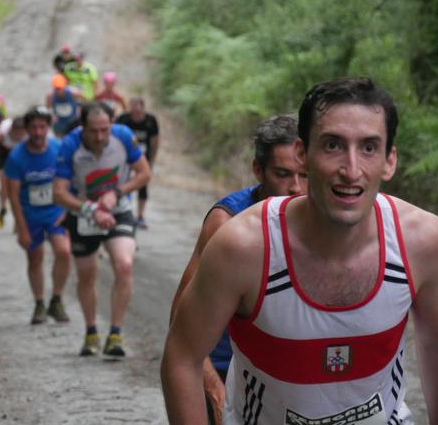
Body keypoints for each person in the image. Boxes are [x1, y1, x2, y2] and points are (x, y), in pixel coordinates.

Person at [162, 78, 438, 424]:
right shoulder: (243, 246)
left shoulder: (422, 240)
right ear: (302, 154)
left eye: (369, 147)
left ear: (389, 160)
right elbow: (182, 356)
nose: (351, 170)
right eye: (333, 145)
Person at [168, 115, 306, 425]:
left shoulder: (326, 221)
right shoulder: (228, 222)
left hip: (286, 378)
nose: (296, 187)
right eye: (283, 174)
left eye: (305, 175)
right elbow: (180, 317)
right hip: (224, 370)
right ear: (258, 170)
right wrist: (216, 392)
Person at [53, 102, 151, 358]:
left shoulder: (123, 137)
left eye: (105, 130)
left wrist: (116, 193)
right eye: (93, 131)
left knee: (124, 264)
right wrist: (91, 210)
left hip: (118, 210)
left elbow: (144, 173)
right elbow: (58, 193)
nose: (99, 137)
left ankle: (115, 334)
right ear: (82, 126)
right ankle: (91, 332)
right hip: (83, 213)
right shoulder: (69, 145)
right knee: (87, 275)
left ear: (112, 124)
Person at [5, 106, 71, 325]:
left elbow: (70, 181)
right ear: (26, 129)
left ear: (48, 127)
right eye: (33, 127)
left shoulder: (59, 149)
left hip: (56, 212)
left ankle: (57, 299)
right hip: (30, 214)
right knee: (35, 259)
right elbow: (13, 196)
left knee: (64, 252)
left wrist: (68, 211)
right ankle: (39, 303)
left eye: (42, 127)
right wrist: (21, 228)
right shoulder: (16, 157)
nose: (38, 132)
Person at [116, 97, 159, 228]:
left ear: (143, 108)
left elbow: (155, 141)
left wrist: (151, 160)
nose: (135, 114)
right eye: (133, 111)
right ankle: (122, 212)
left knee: (143, 185)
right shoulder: (123, 119)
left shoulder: (150, 121)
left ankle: (140, 216)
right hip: (124, 158)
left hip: (142, 157)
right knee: (123, 183)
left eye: (138, 112)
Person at [0, 116, 27, 228]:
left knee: (20, 185)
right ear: (11, 131)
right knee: (5, 184)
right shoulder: (3, 132)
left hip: (19, 154)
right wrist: (1, 139)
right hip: (4, 153)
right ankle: (2, 207)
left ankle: (19, 215)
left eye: (21, 134)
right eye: (16, 134)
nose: (19, 137)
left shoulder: (28, 136)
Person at [46, 74, 82, 138]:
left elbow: (84, 100)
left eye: (60, 88)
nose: (58, 91)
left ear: (64, 87)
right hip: (59, 122)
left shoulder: (73, 93)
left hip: (71, 121)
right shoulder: (50, 96)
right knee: (59, 139)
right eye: (56, 88)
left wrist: (78, 110)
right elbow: (48, 108)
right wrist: (52, 116)